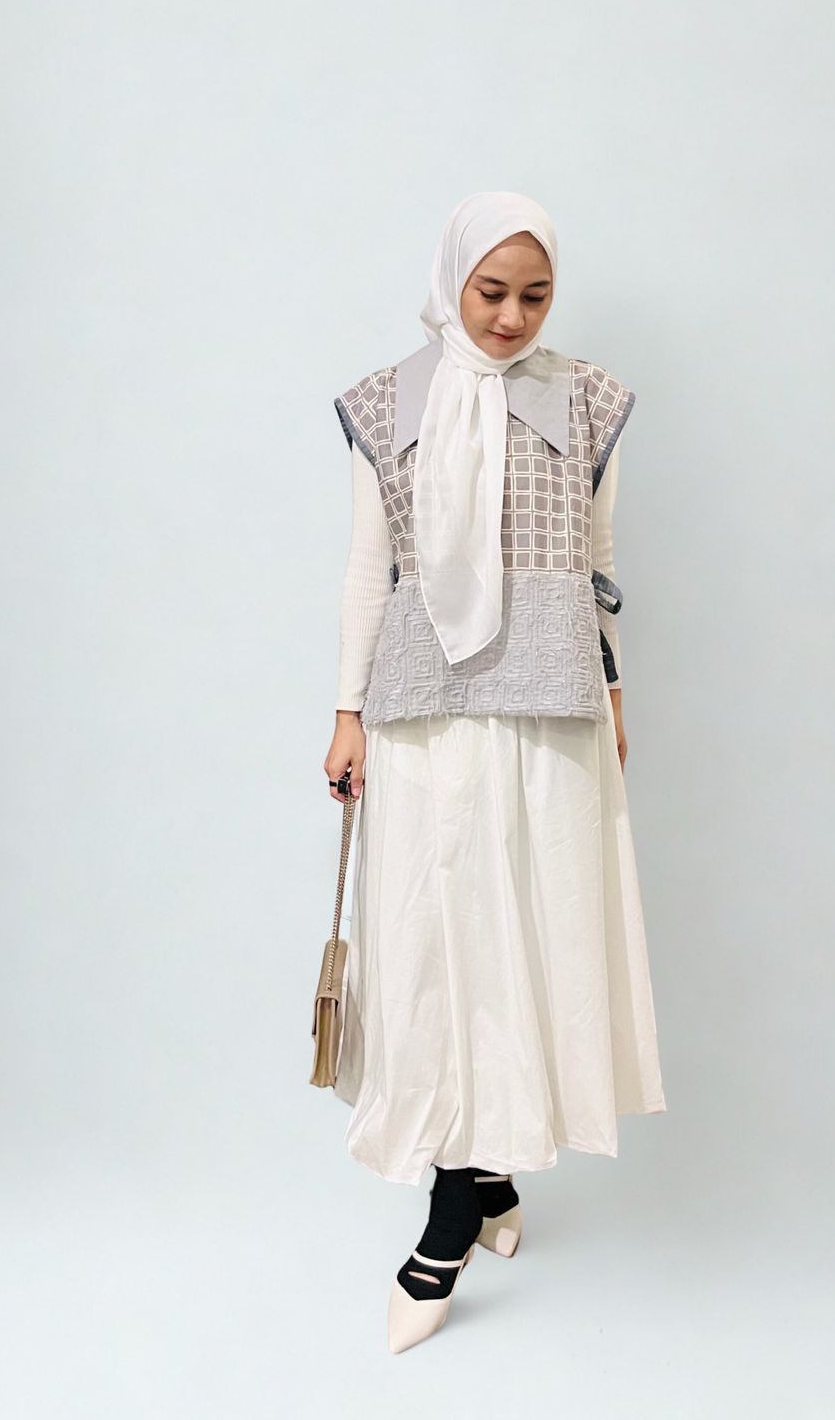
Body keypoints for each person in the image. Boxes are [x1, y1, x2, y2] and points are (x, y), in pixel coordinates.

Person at [322, 191, 666, 1353]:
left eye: (535, 295)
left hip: (549, 706)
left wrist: (613, 693)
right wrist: (345, 713)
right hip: (422, 709)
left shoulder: (589, 400)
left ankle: (465, 1197)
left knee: (525, 937)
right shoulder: (389, 403)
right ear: (452, 281)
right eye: (490, 292)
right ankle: (465, 1198)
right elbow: (367, 567)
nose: (512, 316)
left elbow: (599, 556)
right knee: (437, 945)